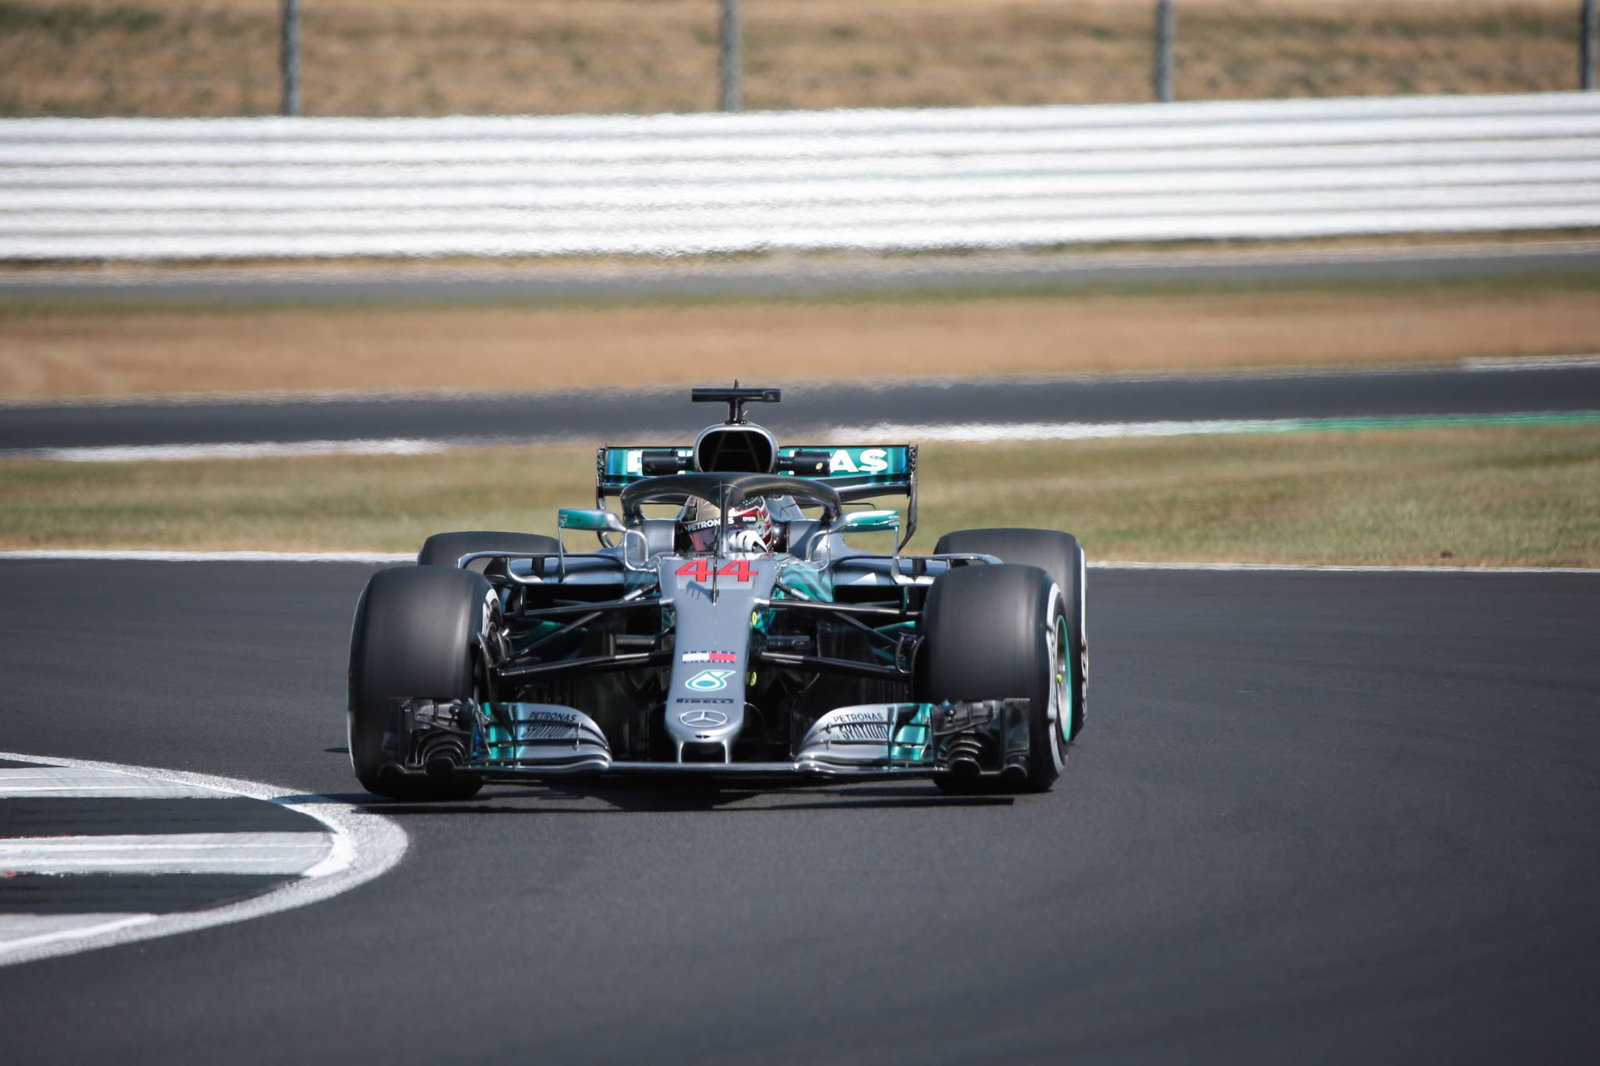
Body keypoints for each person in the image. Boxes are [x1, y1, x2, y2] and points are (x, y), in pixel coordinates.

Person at [677, 495, 779, 553]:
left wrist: (757, 551)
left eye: (734, 536)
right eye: (708, 538)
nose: (721, 552)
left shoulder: (785, 572)